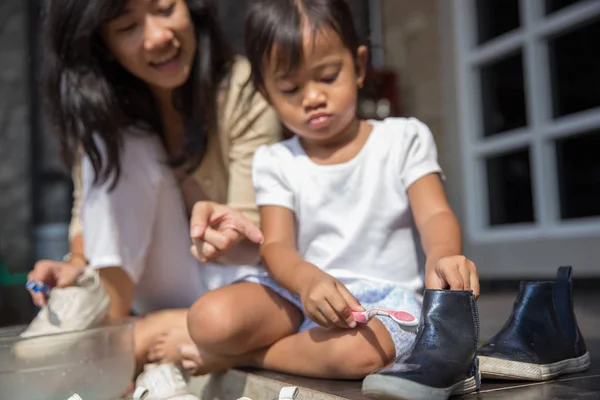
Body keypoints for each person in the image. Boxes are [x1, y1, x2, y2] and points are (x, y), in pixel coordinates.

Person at [181, 0, 480, 380]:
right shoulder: (275, 160)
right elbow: (276, 246)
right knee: (208, 320)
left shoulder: (404, 137)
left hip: (382, 301)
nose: (312, 98)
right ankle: (291, 348)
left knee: (362, 354)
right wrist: (306, 282)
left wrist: (444, 256)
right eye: (290, 87)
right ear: (265, 91)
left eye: (327, 76)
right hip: (298, 293)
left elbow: (435, 213)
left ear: (358, 65)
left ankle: (250, 358)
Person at [25, 0, 280, 396]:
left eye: (165, 8)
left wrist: (225, 236)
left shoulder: (242, 88)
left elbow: (255, 235)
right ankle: (113, 331)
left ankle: (123, 345)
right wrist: (77, 261)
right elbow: (87, 204)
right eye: (127, 27)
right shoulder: (103, 106)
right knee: (112, 140)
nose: (159, 37)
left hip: (238, 283)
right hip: (149, 287)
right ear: (102, 44)